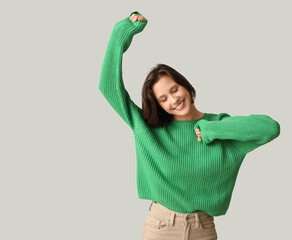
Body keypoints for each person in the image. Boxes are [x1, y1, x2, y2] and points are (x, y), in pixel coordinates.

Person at [99, 10, 281, 240]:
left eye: (174, 89)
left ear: (185, 86)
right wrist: (120, 34)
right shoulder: (148, 129)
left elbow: (269, 128)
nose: (173, 99)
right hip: (161, 227)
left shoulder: (220, 128)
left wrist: (211, 129)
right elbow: (108, 87)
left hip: (203, 229)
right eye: (163, 99)